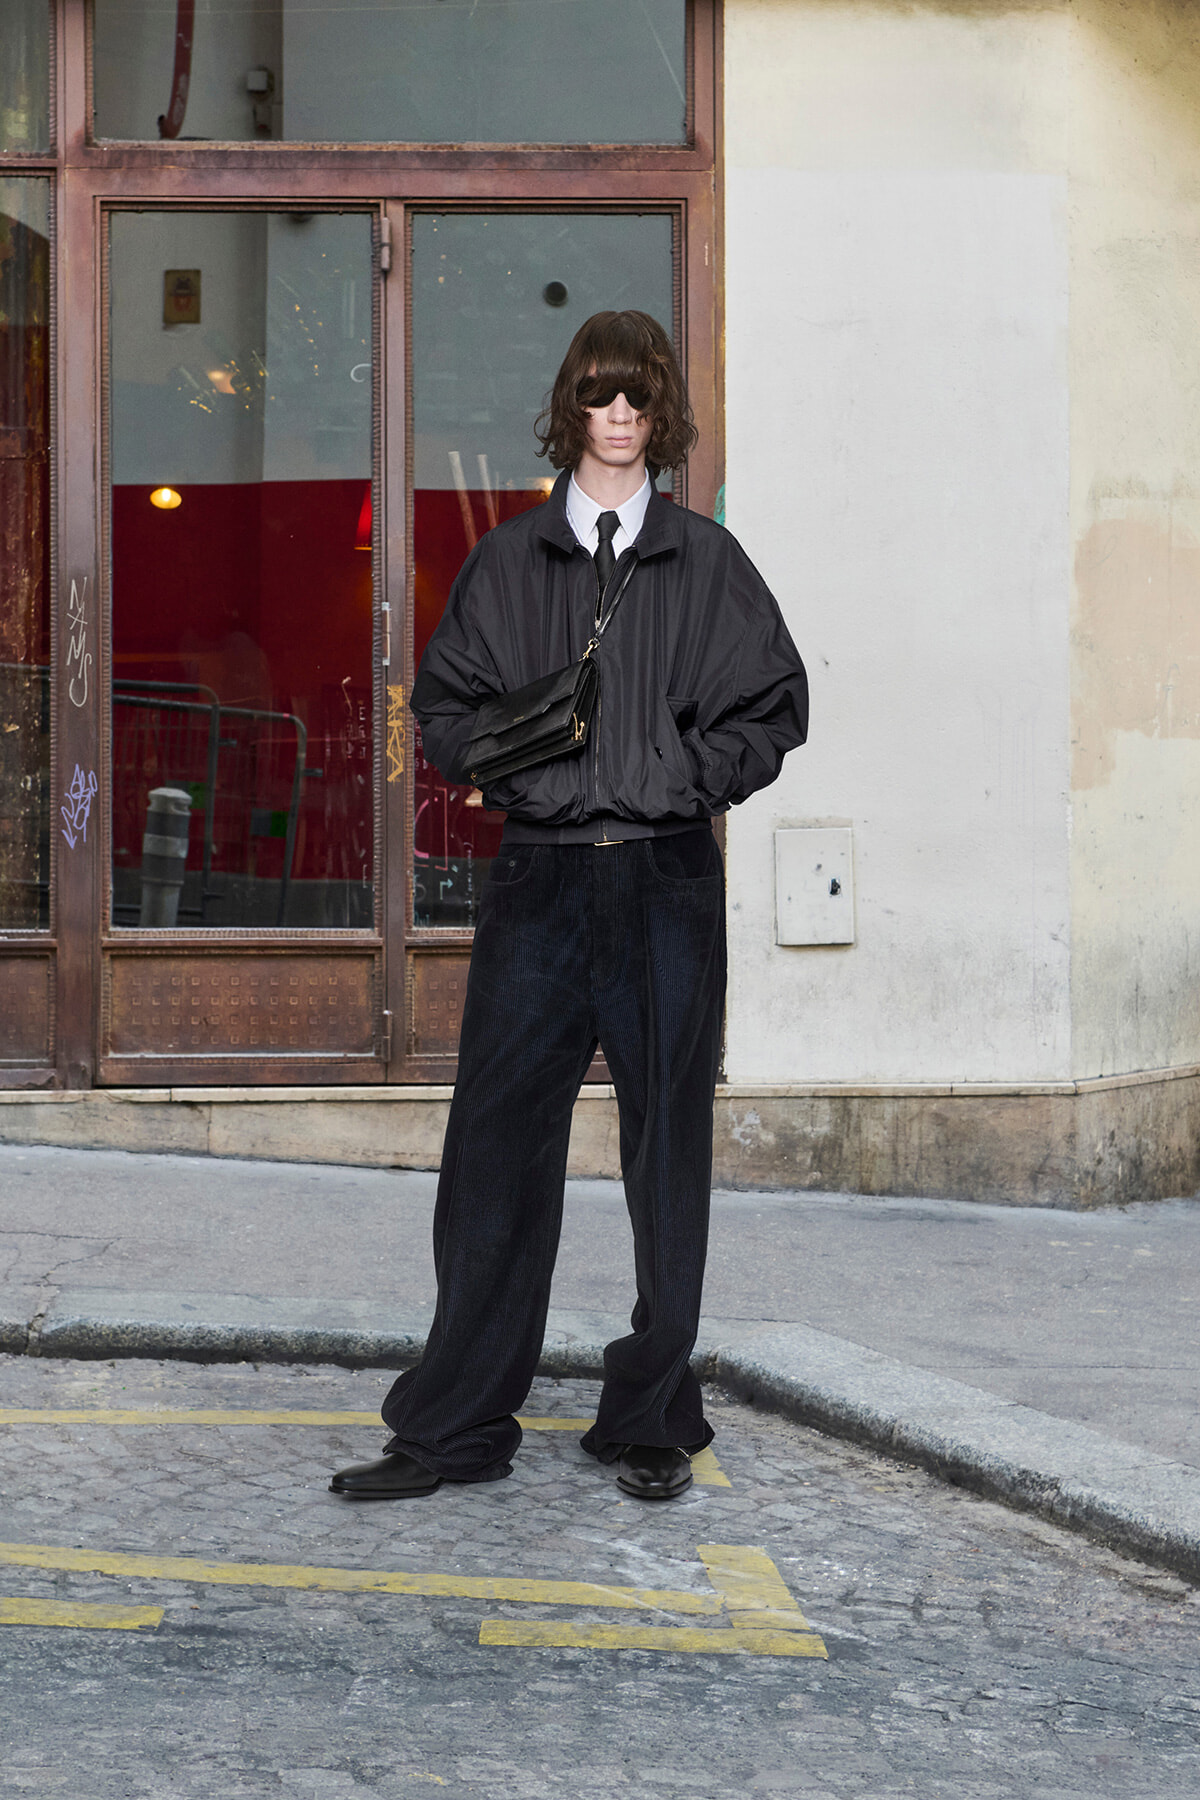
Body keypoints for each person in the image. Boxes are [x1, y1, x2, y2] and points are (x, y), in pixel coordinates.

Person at [331, 310, 807, 1503]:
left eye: (639, 395)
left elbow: (775, 709)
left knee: (666, 1154)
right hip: (540, 885)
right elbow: (442, 708)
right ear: (572, 408)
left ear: (661, 415)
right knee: (493, 1151)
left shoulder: (709, 563)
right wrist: (522, 779)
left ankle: (648, 1415)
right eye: (601, 394)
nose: (619, 415)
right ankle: (454, 1429)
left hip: (664, 884)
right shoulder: (509, 563)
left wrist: (679, 780)